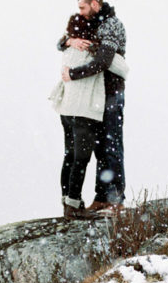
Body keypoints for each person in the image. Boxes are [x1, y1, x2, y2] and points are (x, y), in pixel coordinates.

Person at [53, 11, 128, 219]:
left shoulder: (72, 48)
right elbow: (122, 68)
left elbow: (105, 63)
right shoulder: (89, 48)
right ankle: (89, 201)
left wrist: (67, 42)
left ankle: (74, 201)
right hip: (87, 108)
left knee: (79, 154)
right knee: (88, 155)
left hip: (77, 107)